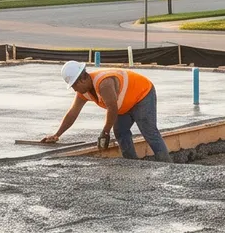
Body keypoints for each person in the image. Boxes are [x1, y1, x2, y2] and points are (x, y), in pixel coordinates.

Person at [42, 60, 171, 161]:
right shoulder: (83, 92)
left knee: (149, 132)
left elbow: (112, 108)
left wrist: (105, 132)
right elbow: (73, 112)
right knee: (120, 131)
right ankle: (132, 163)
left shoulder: (104, 83)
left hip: (142, 95)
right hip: (124, 103)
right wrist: (57, 134)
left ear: (82, 78)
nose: (74, 89)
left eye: (74, 85)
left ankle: (167, 165)